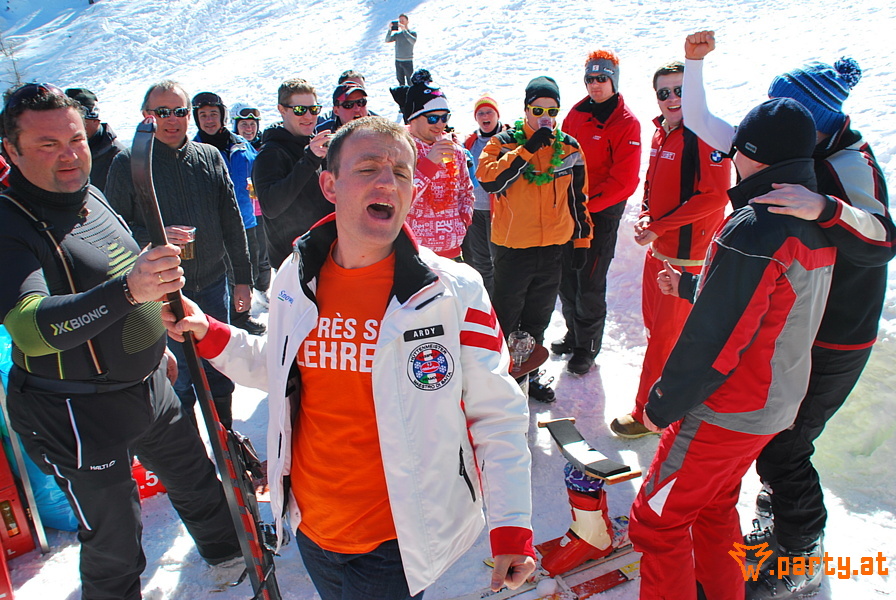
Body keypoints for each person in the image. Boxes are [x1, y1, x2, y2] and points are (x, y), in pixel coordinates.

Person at [162, 116, 536, 600]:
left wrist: (511, 527)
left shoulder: (452, 291)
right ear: (329, 185)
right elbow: (282, 366)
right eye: (368, 168)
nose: (388, 182)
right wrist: (208, 332)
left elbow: (498, 415)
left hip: (395, 541)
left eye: (401, 173)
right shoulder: (297, 275)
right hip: (311, 527)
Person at [0, 82, 239, 600]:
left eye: (75, 140)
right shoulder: (8, 223)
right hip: (75, 409)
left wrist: (154, 339)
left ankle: (232, 560)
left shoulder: (90, 194)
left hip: (147, 381)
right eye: (47, 144)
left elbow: (115, 268)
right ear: (11, 151)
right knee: (114, 538)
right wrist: (132, 290)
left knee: (195, 477)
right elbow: (31, 327)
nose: (69, 155)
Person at [681, 31, 896, 599]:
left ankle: (802, 557)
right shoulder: (790, 144)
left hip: (838, 333)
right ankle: (780, 521)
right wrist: (694, 64)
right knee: (775, 435)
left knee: (785, 445)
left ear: (819, 124)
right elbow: (705, 124)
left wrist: (824, 207)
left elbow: (883, 238)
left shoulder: (850, 163)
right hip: (800, 323)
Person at [628, 98, 837, 600]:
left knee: (657, 521)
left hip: (727, 407)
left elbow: (717, 337)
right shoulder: (812, 217)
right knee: (713, 505)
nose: (730, 159)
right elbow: (764, 304)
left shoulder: (756, 225)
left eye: (736, 150)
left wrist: (662, 403)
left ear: (754, 155)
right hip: (773, 402)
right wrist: (693, 286)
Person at [105, 80, 252, 431]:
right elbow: (112, 231)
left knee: (219, 369)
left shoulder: (209, 156)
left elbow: (232, 221)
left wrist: (243, 279)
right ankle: (192, 454)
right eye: (162, 112)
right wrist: (154, 237)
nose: (172, 119)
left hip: (213, 284)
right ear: (147, 115)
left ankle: (227, 442)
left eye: (180, 111)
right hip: (161, 292)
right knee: (180, 379)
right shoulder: (128, 163)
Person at [608, 61, 731, 439]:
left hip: (685, 261)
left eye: (680, 90)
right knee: (657, 333)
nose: (672, 98)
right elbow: (653, 185)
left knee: (666, 340)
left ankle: (649, 415)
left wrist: (659, 226)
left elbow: (715, 197)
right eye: (664, 92)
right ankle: (671, 401)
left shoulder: (704, 135)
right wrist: (647, 216)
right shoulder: (662, 132)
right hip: (659, 253)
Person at [477, 76, 593, 402]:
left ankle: (528, 374)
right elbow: (489, 180)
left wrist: (581, 241)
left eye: (552, 111)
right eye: (538, 109)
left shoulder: (569, 147)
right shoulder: (503, 142)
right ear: (526, 109)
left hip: (553, 247)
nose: (545, 117)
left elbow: (578, 198)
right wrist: (528, 150)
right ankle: (497, 380)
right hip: (514, 246)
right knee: (505, 315)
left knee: (538, 317)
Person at [554, 50, 642, 375]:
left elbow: (624, 181)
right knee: (566, 278)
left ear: (613, 81)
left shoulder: (626, 122)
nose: (595, 85)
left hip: (600, 215)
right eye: (590, 79)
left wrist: (585, 206)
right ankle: (574, 333)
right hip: (569, 211)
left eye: (602, 78)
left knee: (589, 281)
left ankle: (587, 347)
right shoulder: (577, 113)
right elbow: (559, 154)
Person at [192, 91, 267, 336]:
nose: (209, 120)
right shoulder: (193, 149)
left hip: (245, 218)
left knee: (247, 268)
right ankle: (225, 320)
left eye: (213, 114)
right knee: (221, 273)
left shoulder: (240, 144)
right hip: (213, 224)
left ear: (222, 116)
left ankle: (241, 316)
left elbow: (257, 167)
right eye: (203, 115)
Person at [391, 69, 474, 259]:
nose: (440, 124)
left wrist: (462, 221)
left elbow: (466, 191)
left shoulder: (455, 150)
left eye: (445, 117)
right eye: (433, 118)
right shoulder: (398, 149)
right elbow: (396, 199)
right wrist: (428, 165)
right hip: (412, 253)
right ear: (413, 117)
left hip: (452, 251)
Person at [253, 77, 333, 267]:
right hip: (293, 264)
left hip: (326, 254)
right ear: (282, 110)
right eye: (299, 110)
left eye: (314, 109)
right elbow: (270, 207)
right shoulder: (271, 153)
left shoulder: (315, 146)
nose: (308, 116)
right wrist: (310, 160)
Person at [462, 95, 506, 295]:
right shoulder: (470, 142)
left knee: (499, 260)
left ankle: (502, 302)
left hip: (499, 210)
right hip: (475, 210)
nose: (485, 116)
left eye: (489, 112)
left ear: (497, 115)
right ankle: (487, 303)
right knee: (480, 261)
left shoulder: (508, 139)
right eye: (480, 113)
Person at [64, 87, 126, 192]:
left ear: (95, 119)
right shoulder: (63, 152)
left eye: (79, 120)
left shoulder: (119, 159)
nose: (70, 127)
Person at [385, 14, 417, 86]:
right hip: (398, 61)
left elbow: (412, 41)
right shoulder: (398, 35)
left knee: (410, 82)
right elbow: (387, 40)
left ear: (407, 21)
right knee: (401, 82)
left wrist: (404, 30)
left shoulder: (412, 33)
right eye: (400, 20)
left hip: (408, 61)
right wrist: (390, 29)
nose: (401, 22)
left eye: (403, 20)